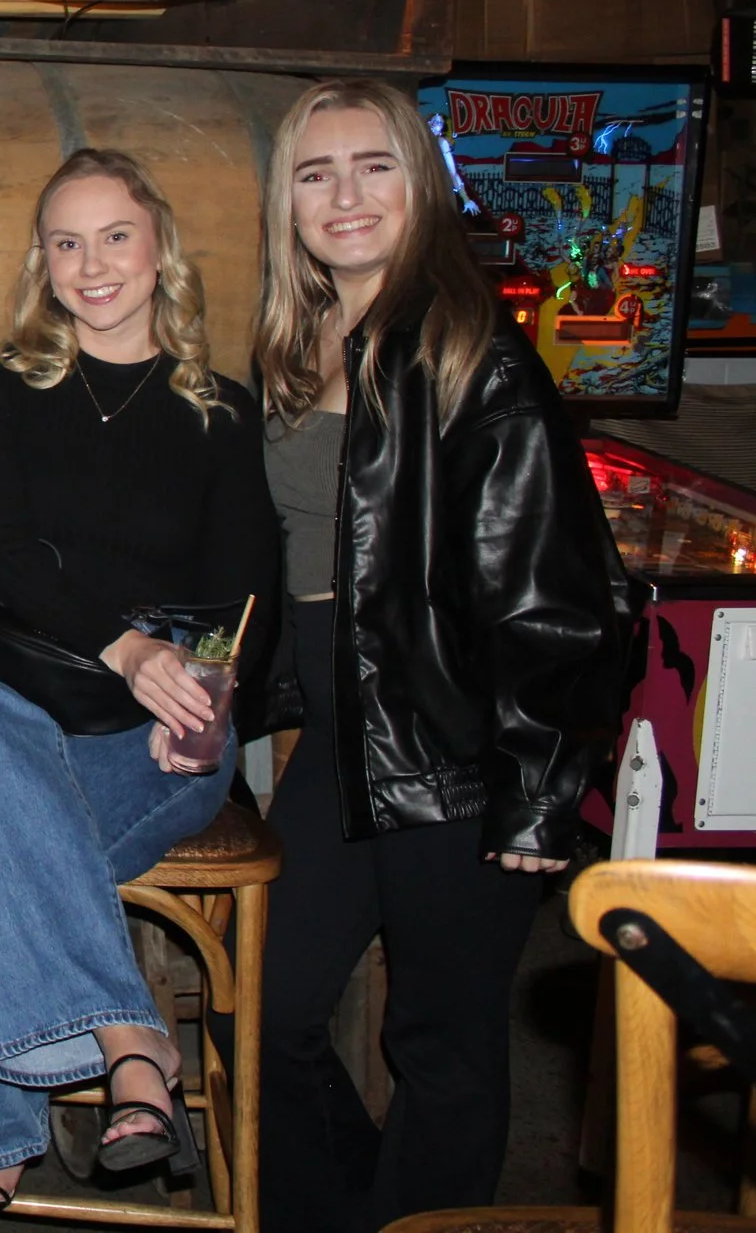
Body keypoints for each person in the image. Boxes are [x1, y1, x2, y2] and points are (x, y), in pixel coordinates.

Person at [246, 81, 628, 1233]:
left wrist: (537, 796)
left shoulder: (466, 351)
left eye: (373, 166)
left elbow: (558, 594)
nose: (344, 195)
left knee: (441, 1041)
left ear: (420, 181)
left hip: (454, 749)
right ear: (288, 199)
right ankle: (361, 1206)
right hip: (345, 741)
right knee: (263, 1008)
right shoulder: (301, 336)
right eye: (316, 172)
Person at [0, 148, 281, 1219]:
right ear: (40, 259)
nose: (91, 263)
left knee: (1, 850)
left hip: (147, 736)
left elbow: (243, 582)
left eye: (113, 235)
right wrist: (126, 644)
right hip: (10, 707)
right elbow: (4, 550)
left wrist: (205, 701)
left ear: (158, 243)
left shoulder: (218, 408)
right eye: (65, 241)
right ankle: (134, 1036)